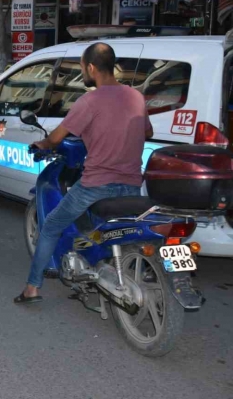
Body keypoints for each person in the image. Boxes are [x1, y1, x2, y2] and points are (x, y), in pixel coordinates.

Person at [15, 43, 153, 304]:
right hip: (132, 184)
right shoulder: (136, 97)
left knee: (51, 226)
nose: (83, 72)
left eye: (81, 67)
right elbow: (147, 132)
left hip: (95, 186)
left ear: (90, 67)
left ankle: (32, 288)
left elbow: (55, 138)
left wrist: (41, 145)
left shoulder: (88, 101)